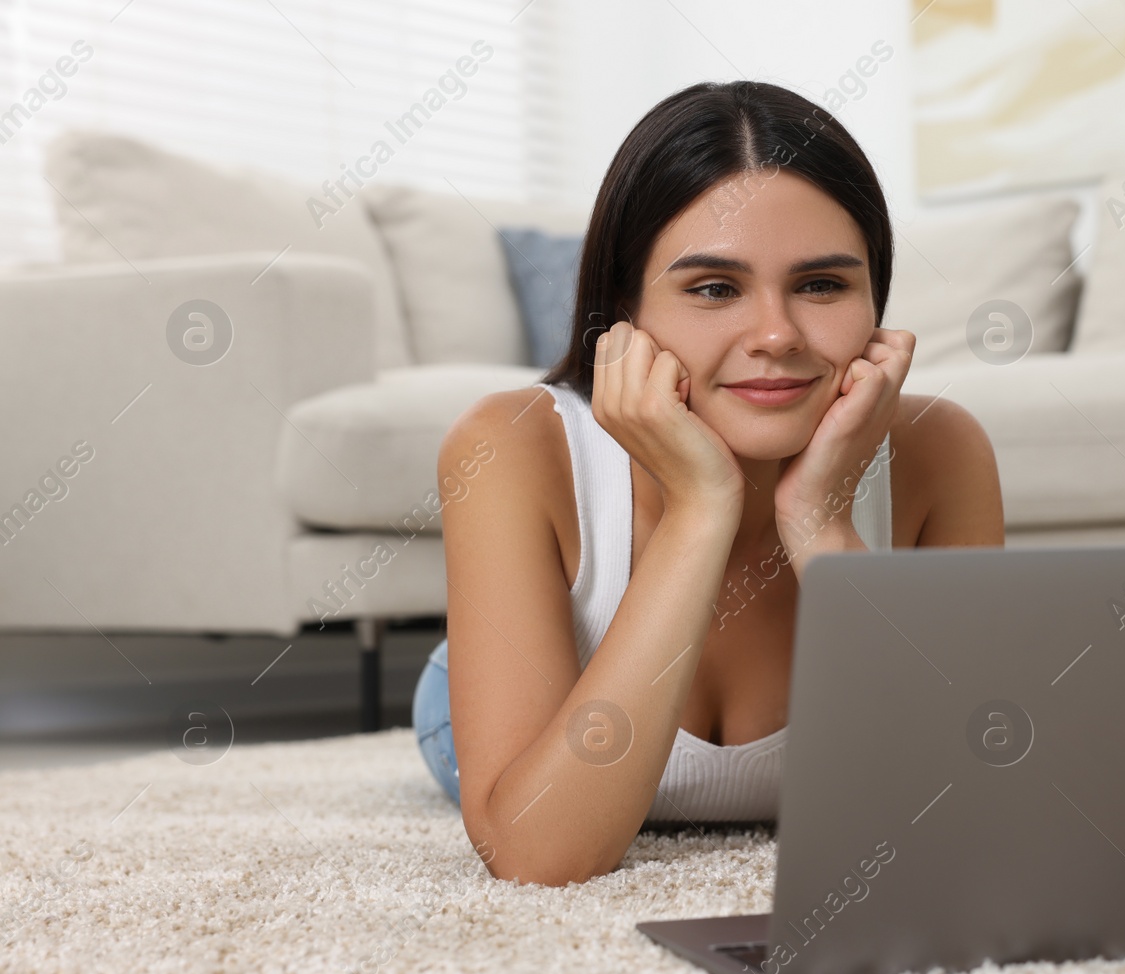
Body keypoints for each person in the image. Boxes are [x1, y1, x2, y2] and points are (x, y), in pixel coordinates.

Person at [414, 80, 1005, 886]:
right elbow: (542, 850)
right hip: (482, 693)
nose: (776, 335)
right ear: (624, 310)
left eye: (822, 284)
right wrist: (701, 506)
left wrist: (823, 521)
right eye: (715, 288)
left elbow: (972, 809)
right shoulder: (509, 447)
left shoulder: (944, 451)